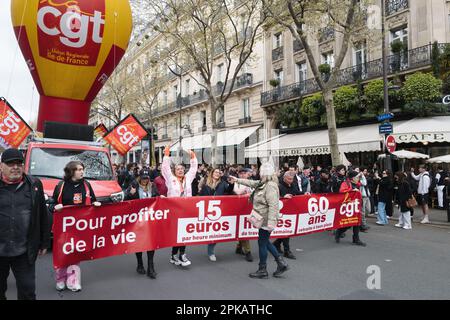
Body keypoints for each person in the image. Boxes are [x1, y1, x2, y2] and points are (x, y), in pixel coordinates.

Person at [0, 148, 50, 300]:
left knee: (27, 291)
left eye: (19, 163)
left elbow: (43, 214)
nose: (15, 167)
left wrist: (44, 242)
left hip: (24, 250)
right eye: (10, 164)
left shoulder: (34, 185)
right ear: (1, 166)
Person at [229, 162, 289, 279]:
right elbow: (252, 183)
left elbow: (273, 205)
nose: (258, 173)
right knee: (264, 242)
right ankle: (280, 263)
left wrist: (271, 222)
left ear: (263, 173)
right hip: (263, 218)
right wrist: (237, 180)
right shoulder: (264, 183)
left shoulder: (270, 186)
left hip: (266, 220)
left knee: (262, 243)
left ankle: (263, 269)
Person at [48, 160, 101, 292]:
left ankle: (73, 281)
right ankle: (60, 279)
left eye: (82, 169)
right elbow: (51, 204)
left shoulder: (87, 185)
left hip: (80, 227)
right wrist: (55, 206)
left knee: (75, 254)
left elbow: (93, 200)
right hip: (64, 228)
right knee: (63, 253)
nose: (81, 171)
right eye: (78, 169)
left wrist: (95, 204)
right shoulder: (61, 186)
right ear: (71, 171)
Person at [161, 146, 198, 267]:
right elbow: (165, 168)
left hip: (186, 210)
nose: (180, 170)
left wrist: (192, 156)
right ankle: (174, 255)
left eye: (182, 169)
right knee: (177, 234)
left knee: (184, 233)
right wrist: (167, 154)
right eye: (178, 169)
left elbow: (193, 168)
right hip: (174, 211)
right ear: (174, 171)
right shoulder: (170, 179)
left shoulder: (188, 179)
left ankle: (181, 254)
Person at [125, 169, 159, 278]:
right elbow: (125, 200)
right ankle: (140, 264)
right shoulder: (134, 185)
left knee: (151, 242)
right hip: (137, 219)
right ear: (140, 177)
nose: (145, 180)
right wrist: (130, 194)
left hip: (150, 218)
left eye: (147, 178)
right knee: (139, 242)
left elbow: (157, 197)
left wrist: (160, 197)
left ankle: (151, 267)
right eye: (143, 178)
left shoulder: (152, 186)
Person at [198, 168, 233, 261]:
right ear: (212, 173)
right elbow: (200, 196)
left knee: (215, 232)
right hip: (207, 210)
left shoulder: (223, 183)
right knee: (208, 231)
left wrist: (231, 183)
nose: (217, 174)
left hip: (218, 211)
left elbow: (229, 191)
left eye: (219, 172)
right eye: (216, 172)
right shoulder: (206, 184)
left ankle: (211, 251)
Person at [273, 172, 301, 259]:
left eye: (292, 179)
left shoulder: (292, 185)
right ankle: (287, 250)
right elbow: (274, 197)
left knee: (287, 231)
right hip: (281, 212)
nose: (290, 181)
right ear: (284, 178)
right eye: (289, 179)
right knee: (286, 231)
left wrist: (305, 193)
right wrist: (283, 197)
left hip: (290, 211)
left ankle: (276, 244)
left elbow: (297, 192)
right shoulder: (279, 186)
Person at [334, 170, 366, 246]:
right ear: (352, 178)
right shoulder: (346, 183)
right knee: (348, 224)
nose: (358, 178)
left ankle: (356, 239)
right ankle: (339, 232)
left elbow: (364, 182)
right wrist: (351, 190)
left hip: (356, 206)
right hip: (348, 206)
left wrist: (362, 175)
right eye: (357, 177)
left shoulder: (357, 183)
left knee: (356, 223)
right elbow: (341, 191)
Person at [230, 168, 254, 262]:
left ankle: (239, 246)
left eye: (245, 173)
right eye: (241, 173)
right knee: (243, 229)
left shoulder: (251, 182)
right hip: (238, 209)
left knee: (244, 229)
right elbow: (238, 192)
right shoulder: (237, 182)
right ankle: (248, 251)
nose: (243, 175)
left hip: (248, 208)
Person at [359, 168, 371, 232]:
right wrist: (362, 176)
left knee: (368, 210)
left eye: (366, 171)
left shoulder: (365, 177)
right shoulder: (359, 178)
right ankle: (363, 224)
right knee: (362, 211)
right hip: (362, 196)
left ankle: (362, 222)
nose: (365, 172)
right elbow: (364, 183)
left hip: (367, 195)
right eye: (364, 171)